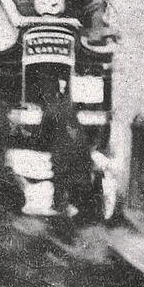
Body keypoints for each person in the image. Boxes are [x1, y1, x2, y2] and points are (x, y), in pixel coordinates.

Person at [40, 77, 94, 218]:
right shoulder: (67, 107)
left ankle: (59, 208)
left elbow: (44, 135)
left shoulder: (50, 110)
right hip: (79, 147)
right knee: (75, 177)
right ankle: (78, 206)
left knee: (60, 177)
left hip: (63, 150)